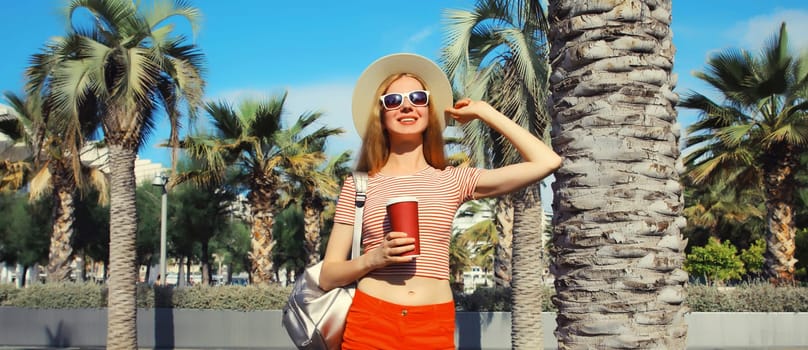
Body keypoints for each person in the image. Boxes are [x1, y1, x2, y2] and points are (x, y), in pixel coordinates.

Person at [319, 53, 562, 349]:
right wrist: (373, 258)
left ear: (429, 110)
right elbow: (329, 275)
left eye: (418, 97)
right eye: (393, 100)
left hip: (432, 324)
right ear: (381, 115)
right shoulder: (359, 184)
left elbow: (546, 161)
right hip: (371, 320)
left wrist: (485, 112)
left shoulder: (452, 179)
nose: (406, 105)